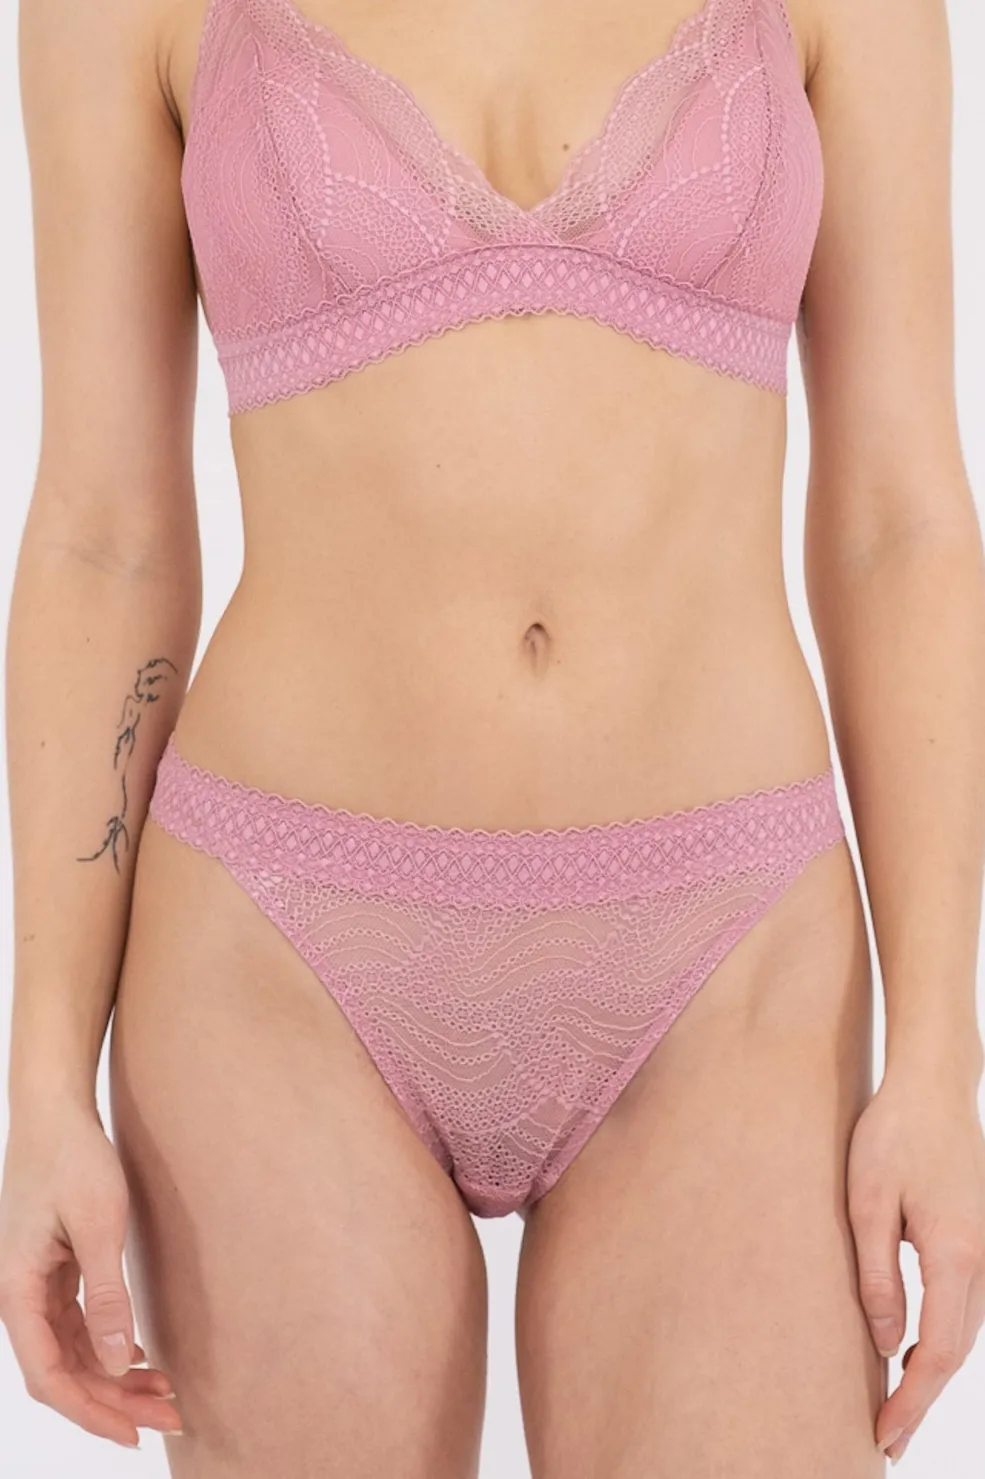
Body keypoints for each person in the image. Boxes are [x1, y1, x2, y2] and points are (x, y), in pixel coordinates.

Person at [2, 0, 985, 1472]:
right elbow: (105, 537)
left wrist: (942, 1059)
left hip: (731, 957)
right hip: (276, 954)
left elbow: (900, 525)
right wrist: (38, 1080)